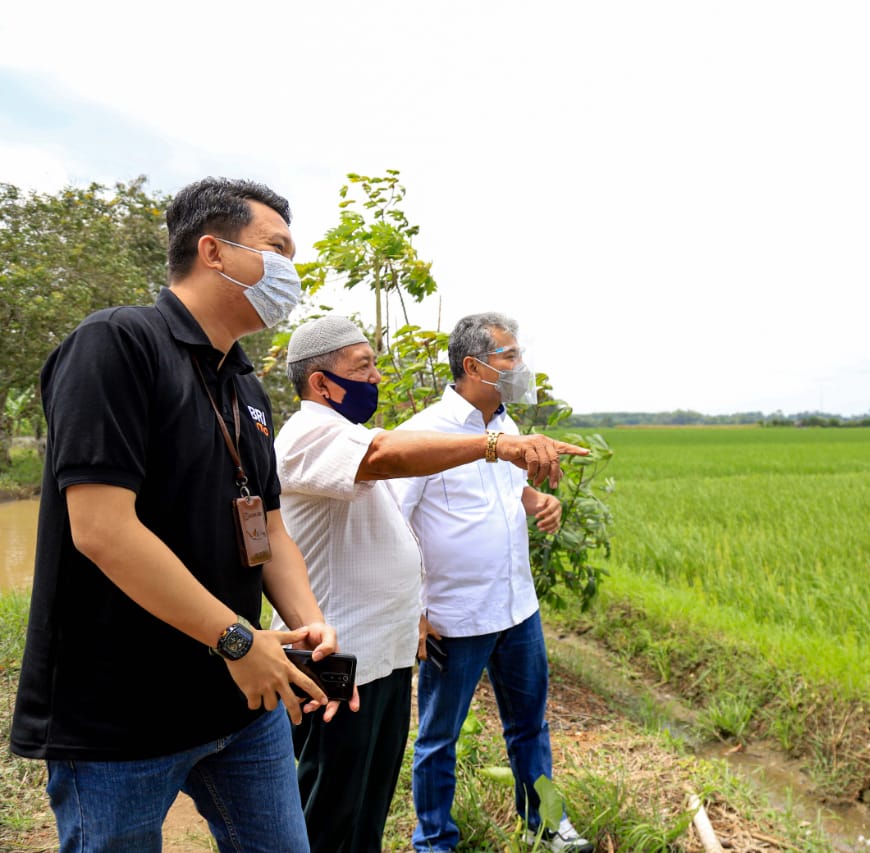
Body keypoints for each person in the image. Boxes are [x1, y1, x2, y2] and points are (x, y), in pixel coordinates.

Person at [9, 177, 348, 853]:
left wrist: (308, 622)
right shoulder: (116, 345)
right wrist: (235, 638)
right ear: (214, 251)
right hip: (119, 717)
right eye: (276, 248)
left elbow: (270, 528)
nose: (292, 269)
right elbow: (103, 529)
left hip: (241, 703)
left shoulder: (246, 384)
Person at [272, 314, 588, 853]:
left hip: (387, 656)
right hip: (338, 661)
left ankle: (542, 821)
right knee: (329, 809)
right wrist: (493, 445)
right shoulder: (312, 435)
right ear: (321, 382)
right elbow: (384, 461)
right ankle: (435, 839)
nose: (374, 377)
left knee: (364, 806)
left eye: (374, 364)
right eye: (363, 367)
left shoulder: (356, 433)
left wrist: (533, 494)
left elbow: (405, 526)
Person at [396, 312, 594, 853]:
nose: (519, 366)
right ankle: (434, 840)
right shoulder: (422, 435)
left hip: (517, 609)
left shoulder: (508, 431)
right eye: (509, 357)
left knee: (529, 726)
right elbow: (392, 527)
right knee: (440, 738)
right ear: (473, 366)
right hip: (454, 618)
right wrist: (412, 610)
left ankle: (545, 825)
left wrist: (541, 502)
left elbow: (509, 493)